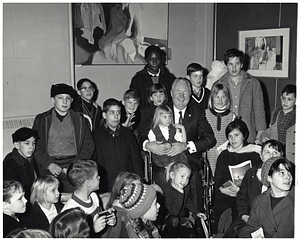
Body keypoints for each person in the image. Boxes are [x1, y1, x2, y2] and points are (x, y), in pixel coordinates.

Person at [141, 78, 216, 216]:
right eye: (178, 91)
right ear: (171, 93)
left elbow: (210, 139)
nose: (181, 96)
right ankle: (164, 217)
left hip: (188, 158)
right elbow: (142, 133)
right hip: (163, 158)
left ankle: (198, 218)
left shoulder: (197, 112)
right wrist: (148, 144)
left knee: (193, 177)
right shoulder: (161, 110)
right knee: (160, 175)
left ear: (191, 93)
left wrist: (185, 145)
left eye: (185, 92)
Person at [32, 83, 95, 193]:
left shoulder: (80, 119)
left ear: (72, 100)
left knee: (74, 201)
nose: (64, 102)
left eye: (68, 98)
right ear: (53, 99)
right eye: (60, 98)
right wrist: (49, 164)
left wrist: (74, 165)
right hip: (49, 166)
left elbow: (89, 145)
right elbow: (35, 146)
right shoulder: (42, 119)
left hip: (72, 165)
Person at [223, 139, 284, 237]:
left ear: (281, 156)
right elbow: (242, 196)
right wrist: (244, 215)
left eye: (275, 152)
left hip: (274, 222)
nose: (271, 156)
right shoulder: (251, 173)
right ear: (261, 156)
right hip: (249, 217)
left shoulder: (285, 176)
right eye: (267, 152)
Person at [212, 118, 262, 235]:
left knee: (239, 215)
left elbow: (256, 182)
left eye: (236, 135)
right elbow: (218, 177)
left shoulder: (254, 154)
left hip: (246, 195)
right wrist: (221, 189)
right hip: (226, 192)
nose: (233, 139)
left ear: (244, 135)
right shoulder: (224, 154)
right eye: (230, 136)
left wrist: (240, 191)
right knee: (219, 214)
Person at [212, 48, 266, 143]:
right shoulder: (218, 84)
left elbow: (259, 109)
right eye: (230, 64)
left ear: (241, 64)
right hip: (225, 132)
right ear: (226, 65)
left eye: (237, 63)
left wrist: (261, 131)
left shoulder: (253, 83)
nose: (234, 67)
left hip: (247, 131)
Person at [93, 98, 143, 192]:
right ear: (104, 115)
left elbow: (136, 161)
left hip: (126, 184)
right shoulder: (96, 136)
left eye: (118, 113)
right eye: (111, 113)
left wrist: (139, 180)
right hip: (105, 186)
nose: (116, 117)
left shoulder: (128, 135)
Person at [239, 157, 294, 238]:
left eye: (289, 173)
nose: (288, 177)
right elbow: (251, 227)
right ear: (269, 177)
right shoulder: (259, 201)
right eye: (281, 173)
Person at [61, 160, 116, 236]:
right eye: (97, 176)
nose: (99, 177)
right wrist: (93, 229)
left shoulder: (93, 196)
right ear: (88, 183)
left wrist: (107, 219)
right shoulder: (71, 210)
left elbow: (99, 216)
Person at [161, 161, 207, 237]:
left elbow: (188, 201)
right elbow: (174, 212)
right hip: (169, 221)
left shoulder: (185, 187)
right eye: (182, 176)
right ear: (172, 175)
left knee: (192, 235)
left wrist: (197, 212)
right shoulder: (166, 189)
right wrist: (180, 193)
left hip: (181, 219)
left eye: (187, 177)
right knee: (174, 220)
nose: (185, 181)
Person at [148, 105, 188, 185]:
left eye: (170, 117)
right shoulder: (153, 131)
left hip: (176, 158)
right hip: (161, 159)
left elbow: (183, 142)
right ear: (158, 117)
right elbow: (153, 146)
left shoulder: (174, 129)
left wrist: (182, 129)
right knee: (162, 175)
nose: (168, 119)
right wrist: (163, 146)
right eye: (165, 117)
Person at [129, 45, 175, 110]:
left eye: (157, 59)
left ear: (161, 59)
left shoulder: (169, 78)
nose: (154, 62)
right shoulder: (138, 79)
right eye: (151, 59)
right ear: (146, 60)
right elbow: (134, 100)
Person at [260, 84, 296, 164]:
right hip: (277, 152)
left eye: (289, 99)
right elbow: (270, 130)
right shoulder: (276, 113)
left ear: (296, 100)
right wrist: (264, 136)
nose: (285, 102)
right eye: (283, 98)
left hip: (291, 154)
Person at [205, 83, 236, 175]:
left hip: (226, 151)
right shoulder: (205, 114)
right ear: (212, 98)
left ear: (227, 98)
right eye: (217, 97)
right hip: (209, 152)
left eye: (223, 97)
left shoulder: (232, 116)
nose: (220, 100)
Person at [3, 127, 39, 202]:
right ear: (17, 145)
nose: (32, 147)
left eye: (34, 143)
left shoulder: (31, 158)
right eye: (27, 143)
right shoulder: (10, 164)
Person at [103, 172, 142, 238]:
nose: (140, 191)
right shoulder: (117, 213)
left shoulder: (131, 208)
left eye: (140, 188)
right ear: (122, 191)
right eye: (135, 188)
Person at [137, 83, 168, 148]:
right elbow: (142, 128)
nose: (159, 97)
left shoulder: (168, 109)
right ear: (151, 98)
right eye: (155, 95)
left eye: (161, 94)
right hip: (152, 138)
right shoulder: (147, 111)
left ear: (165, 97)